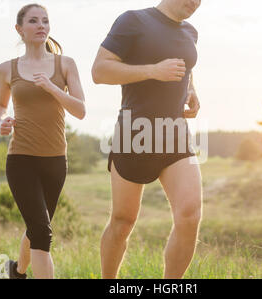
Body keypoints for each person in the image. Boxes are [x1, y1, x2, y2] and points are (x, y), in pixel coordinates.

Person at [92, 0, 202, 279]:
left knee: (189, 214)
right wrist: (152, 70)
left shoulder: (190, 32)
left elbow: (186, 67)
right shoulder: (133, 21)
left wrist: (191, 89)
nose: (196, 2)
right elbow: (100, 71)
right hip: (135, 132)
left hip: (175, 132)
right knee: (123, 221)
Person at [0, 3, 86, 279]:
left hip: (56, 161)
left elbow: (80, 110)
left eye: (45, 21)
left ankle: (17, 271)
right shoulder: (6, 69)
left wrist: (52, 87)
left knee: (37, 228)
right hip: (21, 159)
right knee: (42, 233)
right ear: (19, 29)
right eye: (33, 21)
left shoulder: (65, 64)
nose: (41, 25)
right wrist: (1, 122)